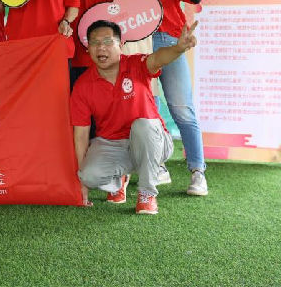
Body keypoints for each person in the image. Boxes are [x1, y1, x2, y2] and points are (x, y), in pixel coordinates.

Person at [115, 0, 207, 196]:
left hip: (170, 41)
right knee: (147, 108)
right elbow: (117, 15)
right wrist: (126, 3)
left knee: (181, 108)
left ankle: (197, 171)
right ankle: (157, 165)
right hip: (139, 46)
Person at [71, 19, 198, 215]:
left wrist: (178, 48)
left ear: (121, 45)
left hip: (153, 141)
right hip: (114, 145)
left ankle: (147, 193)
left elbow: (159, 58)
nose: (101, 48)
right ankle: (119, 178)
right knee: (89, 175)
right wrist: (82, 183)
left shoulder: (136, 64)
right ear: (88, 49)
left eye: (107, 41)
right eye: (94, 43)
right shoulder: (82, 85)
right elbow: (80, 135)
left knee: (142, 126)